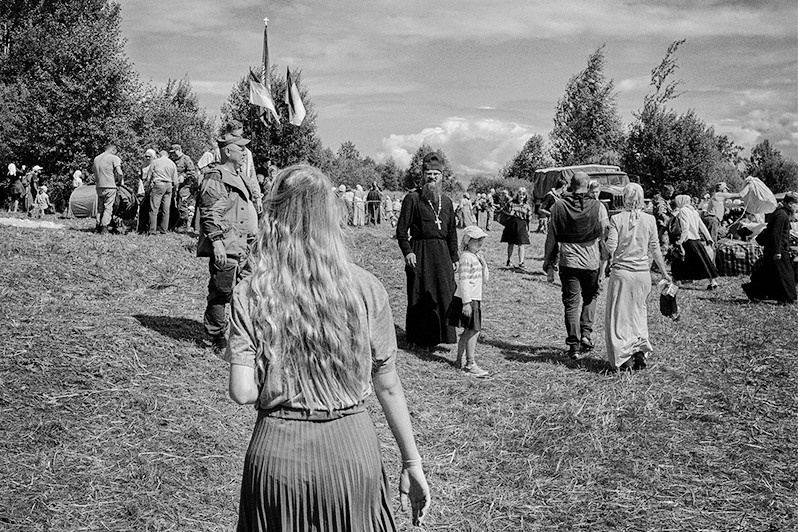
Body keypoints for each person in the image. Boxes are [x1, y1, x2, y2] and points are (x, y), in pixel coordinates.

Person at [226, 164, 430, 530]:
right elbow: (387, 384)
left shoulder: (250, 291)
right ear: (331, 216)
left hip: (277, 456)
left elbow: (243, 392)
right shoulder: (366, 287)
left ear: (272, 215)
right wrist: (411, 462)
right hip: (352, 451)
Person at [197, 133, 258, 353]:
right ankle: (217, 336)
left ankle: (242, 332)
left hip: (245, 246)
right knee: (222, 292)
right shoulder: (217, 175)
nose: (244, 152)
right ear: (227, 151)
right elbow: (210, 212)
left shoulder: (240, 175)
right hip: (228, 244)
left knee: (249, 292)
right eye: (240, 148)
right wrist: (217, 242)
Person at [605, 183, 672, 372]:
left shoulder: (616, 219)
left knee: (620, 318)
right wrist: (665, 273)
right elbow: (656, 250)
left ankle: (624, 358)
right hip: (643, 274)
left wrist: (605, 245)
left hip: (622, 274)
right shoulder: (649, 220)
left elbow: (611, 247)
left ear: (624, 197)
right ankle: (639, 351)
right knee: (638, 314)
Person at [396, 152, 459, 349]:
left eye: (436, 174)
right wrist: (408, 252)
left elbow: (451, 231)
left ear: (442, 176)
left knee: (444, 293)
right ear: (422, 175)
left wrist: (454, 256)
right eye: (428, 174)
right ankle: (416, 338)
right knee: (418, 294)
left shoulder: (447, 202)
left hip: (442, 254)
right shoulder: (413, 199)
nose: (432, 178)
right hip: (420, 252)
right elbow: (401, 230)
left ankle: (440, 336)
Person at [548, 171, 608, 359]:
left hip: (568, 260)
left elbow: (551, 238)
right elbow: (606, 233)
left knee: (571, 303)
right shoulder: (598, 207)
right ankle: (586, 334)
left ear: (571, 185)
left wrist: (548, 262)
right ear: (588, 184)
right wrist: (606, 260)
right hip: (590, 261)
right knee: (591, 296)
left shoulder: (558, 206)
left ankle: (573, 345)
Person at [447, 225, 490, 377]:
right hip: (468, 299)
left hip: (474, 298)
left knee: (469, 330)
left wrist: (483, 263)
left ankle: (460, 359)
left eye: (481, 240)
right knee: (474, 330)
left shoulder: (475, 257)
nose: (480, 243)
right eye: (476, 240)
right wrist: (466, 302)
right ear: (467, 240)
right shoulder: (466, 258)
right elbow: (463, 281)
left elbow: (485, 279)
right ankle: (470, 363)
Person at [742, 193, 797, 304]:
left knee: (770, 273)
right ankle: (785, 297)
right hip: (777, 250)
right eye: (796, 204)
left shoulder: (782, 213)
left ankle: (753, 291)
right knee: (784, 274)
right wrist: (777, 252)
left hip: (777, 249)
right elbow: (775, 234)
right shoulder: (781, 215)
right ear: (790, 204)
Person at [671, 195, 719, 290]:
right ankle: (712, 281)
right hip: (696, 240)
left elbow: (685, 227)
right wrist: (709, 238)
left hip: (688, 240)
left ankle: (675, 281)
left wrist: (680, 241)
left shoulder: (682, 211)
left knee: (679, 261)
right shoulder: (693, 211)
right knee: (703, 262)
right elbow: (702, 226)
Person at [92, 143, 123, 234]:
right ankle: (104, 228)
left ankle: (97, 226)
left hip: (99, 186)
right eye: (115, 152)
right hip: (110, 185)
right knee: (108, 207)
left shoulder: (96, 158)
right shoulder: (114, 158)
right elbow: (119, 172)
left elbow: (94, 171)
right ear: (113, 150)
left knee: (100, 207)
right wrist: (119, 182)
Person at [146, 150, 179, 235]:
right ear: (167, 155)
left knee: (154, 208)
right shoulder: (172, 164)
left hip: (158, 184)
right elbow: (175, 181)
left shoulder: (155, 162)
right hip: (168, 185)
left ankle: (152, 230)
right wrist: (175, 191)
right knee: (166, 209)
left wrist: (147, 188)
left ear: (159, 155)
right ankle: (164, 229)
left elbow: (149, 177)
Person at [500, 187, 532, 269]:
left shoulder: (527, 206)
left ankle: (521, 262)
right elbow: (503, 210)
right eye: (520, 194)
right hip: (512, 224)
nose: (521, 196)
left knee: (521, 244)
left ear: (525, 196)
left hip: (522, 224)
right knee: (511, 243)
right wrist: (509, 213)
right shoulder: (511, 203)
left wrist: (529, 230)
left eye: (523, 194)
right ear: (517, 194)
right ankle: (509, 260)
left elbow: (529, 219)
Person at [653, 185, 675, 256]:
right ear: (663, 191)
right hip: (662, 226)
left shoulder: (667, 201)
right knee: (663, 247)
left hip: (667, 226)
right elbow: (661, 212)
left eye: (671, 194)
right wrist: (666, 218)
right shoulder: (660, 201)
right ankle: (657, 265)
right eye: (668, 193)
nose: (670, 195)